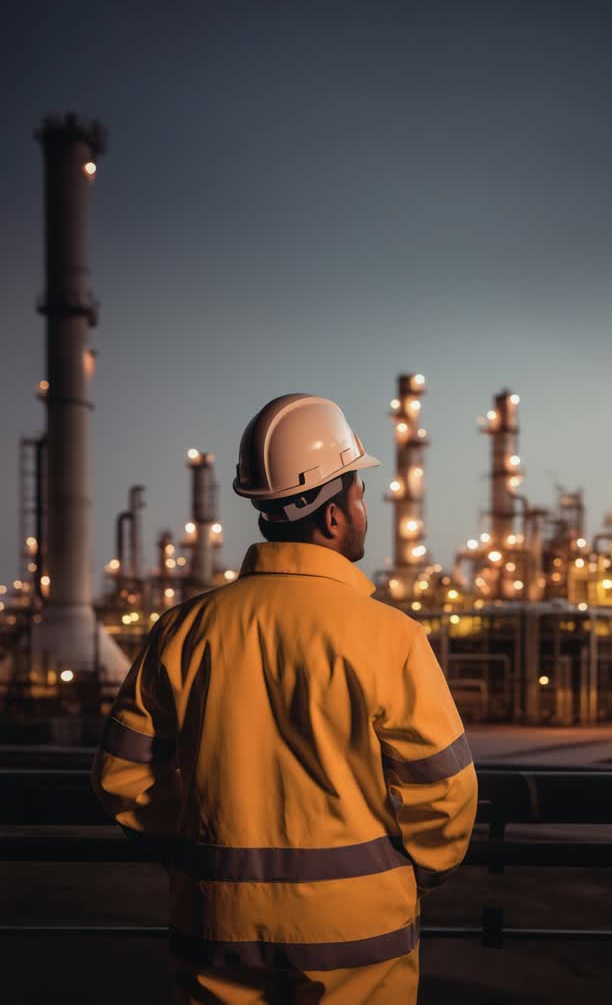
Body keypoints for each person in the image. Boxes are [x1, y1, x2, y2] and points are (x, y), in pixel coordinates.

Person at [92, 393, 478, 1003]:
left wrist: (191, 851)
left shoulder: (183, 630)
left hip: (217, 920)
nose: (363, 510)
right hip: (359, 931)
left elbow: (121, 776)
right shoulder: (390, 637)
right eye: (358, 495)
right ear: (331, 516)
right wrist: (412, 874)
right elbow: (445, 791)